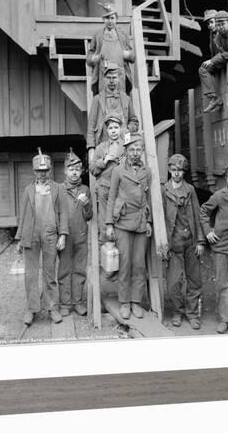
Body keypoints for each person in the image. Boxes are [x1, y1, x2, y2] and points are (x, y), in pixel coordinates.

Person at [14, 148, 68, 326]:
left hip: (51, 235)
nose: (42, 174)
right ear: (34, 171)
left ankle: (51, 307)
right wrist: (19, 238)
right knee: (30, 275)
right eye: (39, 171)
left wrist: (63, 235)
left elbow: (63, 213)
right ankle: (31, 308)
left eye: (45, 171)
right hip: (31, 236)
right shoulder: (28, 190)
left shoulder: (58, 188)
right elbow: (22, 215)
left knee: (49, 273)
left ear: (50, 170)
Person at [105, 133, 152, 319]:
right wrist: (109, 224)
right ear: (125, 150)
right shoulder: (117, 171)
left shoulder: (147, 171)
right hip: (123, 223)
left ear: (141, 151)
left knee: (139, 264)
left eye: (138, 149)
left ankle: (136, 301)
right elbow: (111, 197)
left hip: (141, 222)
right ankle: (124, 302)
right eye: (131, 149)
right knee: (124, 264)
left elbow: (148, 198)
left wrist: (148, 221)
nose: (134, 153)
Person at [161, 154, 206, 330]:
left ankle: (192, 314)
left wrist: (200, 241)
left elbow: (197, 214)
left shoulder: (191, 190)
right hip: (174, 243)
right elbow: (161, 217)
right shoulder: (164, 190)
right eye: (173, 170)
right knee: (173, 282)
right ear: (169, 170)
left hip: (190, 241)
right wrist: (163, 244)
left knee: (194, 280)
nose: (176, 173)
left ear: (184, 172)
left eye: (179, 170)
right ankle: (177, 312)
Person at [58, 149, 93, 317]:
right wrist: (60, 234)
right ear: (65, 171)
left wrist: (86, 205)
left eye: (77, 169)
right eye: (71, 169)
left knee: (79, 269)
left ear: (81, 171)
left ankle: (77, 302)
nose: (74, 172)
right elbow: (55, 215)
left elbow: (89, 216)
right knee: (64, 270)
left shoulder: (85, 189)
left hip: (80, 235)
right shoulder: (59, 190)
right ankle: (65, 303)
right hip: (64, 236)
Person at [200, 166, 228, 334]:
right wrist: (208, 231)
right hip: (222, 246)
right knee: (222, 284)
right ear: (227, 179)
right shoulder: (220, 195)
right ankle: (225, 319)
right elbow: (203, 211)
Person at [87, 63, 138, 160]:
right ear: (104, 79)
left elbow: (134, 121)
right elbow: (91, 125)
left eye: (114, 77)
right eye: (108, 78)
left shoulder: (126, 99)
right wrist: (91, 148)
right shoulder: (97, 99)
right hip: (103, 144)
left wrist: (127, 129)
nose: (111, 81)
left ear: (119, 78)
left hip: (123, 145)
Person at [89, 113, 125, 246]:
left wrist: (126, 162)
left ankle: (121, 246)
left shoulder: (126, 146)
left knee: (121, 217)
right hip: (105, 190)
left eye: (116, 127)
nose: (113, 130)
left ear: (121, 128)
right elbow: (92, 169)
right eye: (110, 128)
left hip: (122, 189)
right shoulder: (101, 148)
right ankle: (105, 249)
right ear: (107, 130)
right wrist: (104, 161)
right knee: (104, 219)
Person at [86, 2, 135, 94]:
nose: (110, 21)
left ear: (116, 19)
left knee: (121, 101)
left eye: (112, 18)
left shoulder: (123, 35)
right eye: (107, 18)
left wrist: (127, 54)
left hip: (120, 75)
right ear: (103, 19)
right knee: (104, 101)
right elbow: (89, 58)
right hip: (103, 74)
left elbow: (133, 57)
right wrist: (94, 58)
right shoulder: (98, 35)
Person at [199, 10, 228, 113]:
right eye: (208, 23)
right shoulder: (215, 37)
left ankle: (216, 99)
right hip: (221, 60)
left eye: (212, 22)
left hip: (226, 60)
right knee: (203, 69)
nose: (210, 25)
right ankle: (214, 98)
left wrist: (213, 61)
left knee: (205, 67)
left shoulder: (227, 33)